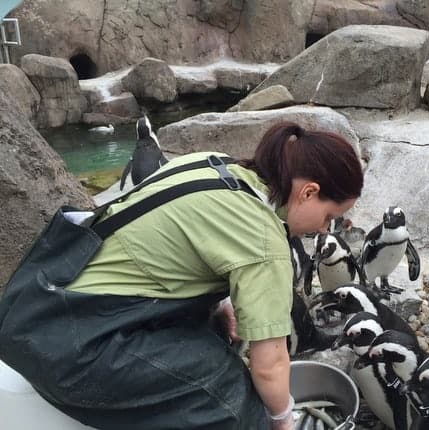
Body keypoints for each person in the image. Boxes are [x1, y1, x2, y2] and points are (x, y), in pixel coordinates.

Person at [0, 121, 363, 430]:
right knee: (234, 403)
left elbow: (175, 249)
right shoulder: (264, 239)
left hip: (39, 304)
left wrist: (219, 306)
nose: (323, 228)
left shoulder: (212, 165)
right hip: (76, 346)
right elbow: (269, 368)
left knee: (219, 334)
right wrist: (282, 419)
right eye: (329, 216)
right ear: (309, 192)